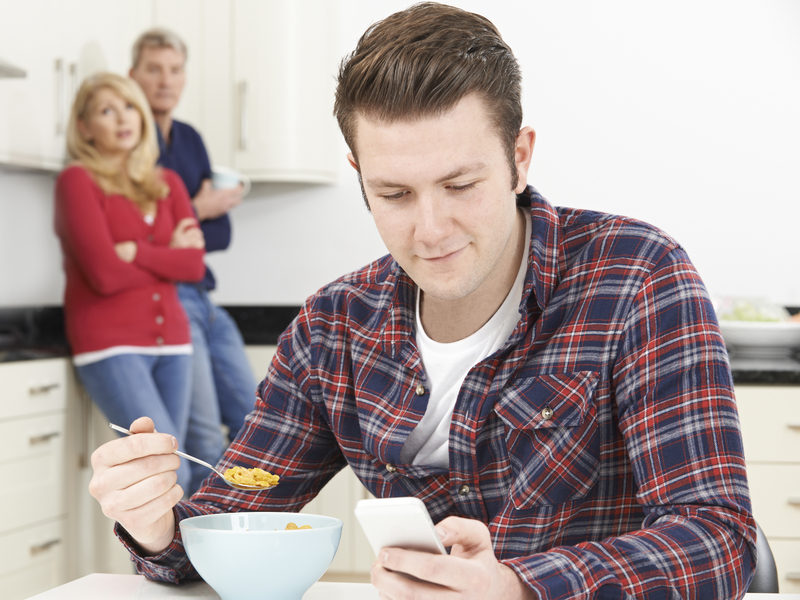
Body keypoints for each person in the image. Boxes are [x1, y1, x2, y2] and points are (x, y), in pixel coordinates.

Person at [88, 4, 756, 598]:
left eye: (461, 184)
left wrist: (518, 586)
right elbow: (216, 530)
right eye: (395, 195)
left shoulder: (637, 276)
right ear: (359, 175)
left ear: (520, 157)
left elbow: (718, 539)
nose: (430, 231)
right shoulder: (333, 329)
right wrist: (153, 526)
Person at [55, 72, 206, 493]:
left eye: (128, 107)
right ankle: (163, 562)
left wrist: (135, 251)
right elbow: (104, 275)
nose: (122, 118)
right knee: (164, 468)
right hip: (112, 345)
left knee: (170, 469)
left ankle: (174, 562)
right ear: (85, 127)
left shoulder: (167, 183)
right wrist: (167, 255)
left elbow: (194, 266)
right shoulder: (78, 181)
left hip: (173, 341)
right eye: (106, 110)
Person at [128, 28, 257, 494]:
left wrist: (185, 221)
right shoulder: (128, 143)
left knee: (253, 416)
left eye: (175, 69)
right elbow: (131, 236)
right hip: (166, 300)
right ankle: (197, 557)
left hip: (203, 293)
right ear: (132, 76)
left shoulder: (190, 140)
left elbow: (219, 236)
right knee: (202, 437)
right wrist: (197, 209)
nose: (166, 80)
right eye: (154, 69)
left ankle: (237, 534)